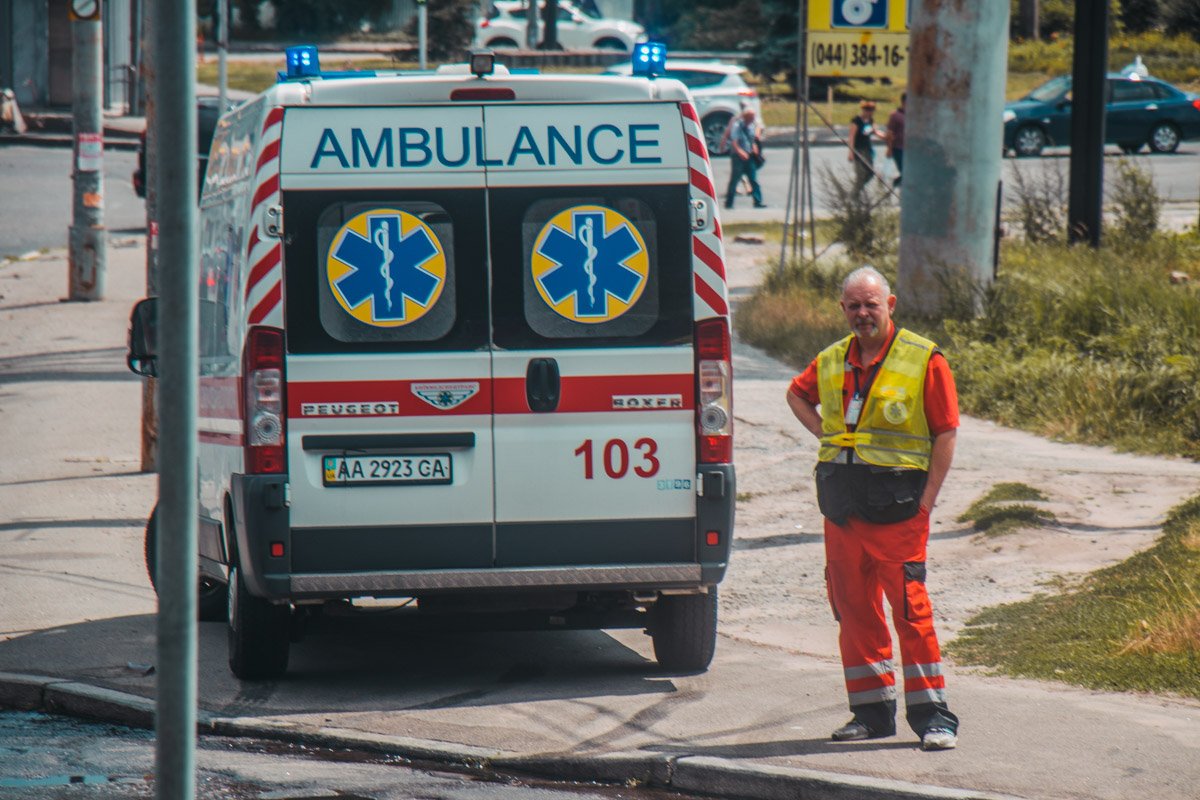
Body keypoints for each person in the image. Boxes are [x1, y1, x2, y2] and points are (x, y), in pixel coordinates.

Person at [785, 266, 961, 752]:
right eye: (854, 306)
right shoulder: (831, 359)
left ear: (891, 305)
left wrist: (927, 503)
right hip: (842, 511)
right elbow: (796, 395)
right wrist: (825, 434)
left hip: (899, 511)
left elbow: (946, 432)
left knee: (910, 613)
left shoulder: (924, 358)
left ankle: (933, 718)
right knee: (853, 610)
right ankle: (870, 714)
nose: (863, 314)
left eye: (872, 305)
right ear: (843, 309)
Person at [724, 105, 765, 210]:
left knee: (753, 179)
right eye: (751, 117)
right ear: (745, 116)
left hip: (749, 156)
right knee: (735, 180)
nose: (753, 119)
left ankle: (758, 201)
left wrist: (754, 147)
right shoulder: (737, 126)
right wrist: (740, 152)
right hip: (738, 157)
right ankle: (729, 203)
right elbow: (734, 142)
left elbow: (752, 139)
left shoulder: (751, 126)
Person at [848, 100, 882, 197]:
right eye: (868, 110)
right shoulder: (856, 121)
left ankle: (856, 191)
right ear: (863, 110)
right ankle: (853, 195)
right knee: (861, 174)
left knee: (870, 172)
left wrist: (885, 137)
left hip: (867, 149)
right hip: (858, 150)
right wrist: (851, 152)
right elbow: (851, 137)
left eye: (871, 110)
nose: (869, 112)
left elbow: (875, 131)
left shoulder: (870, 121)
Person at [885, 93, 906, 188]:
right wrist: (889, 148)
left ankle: (899, 183)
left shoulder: (913, 115)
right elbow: (889, 133)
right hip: (898, 148)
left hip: (909, 149)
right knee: (905, 171)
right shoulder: (896, 116)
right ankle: (896, 184)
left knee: (911, 172)